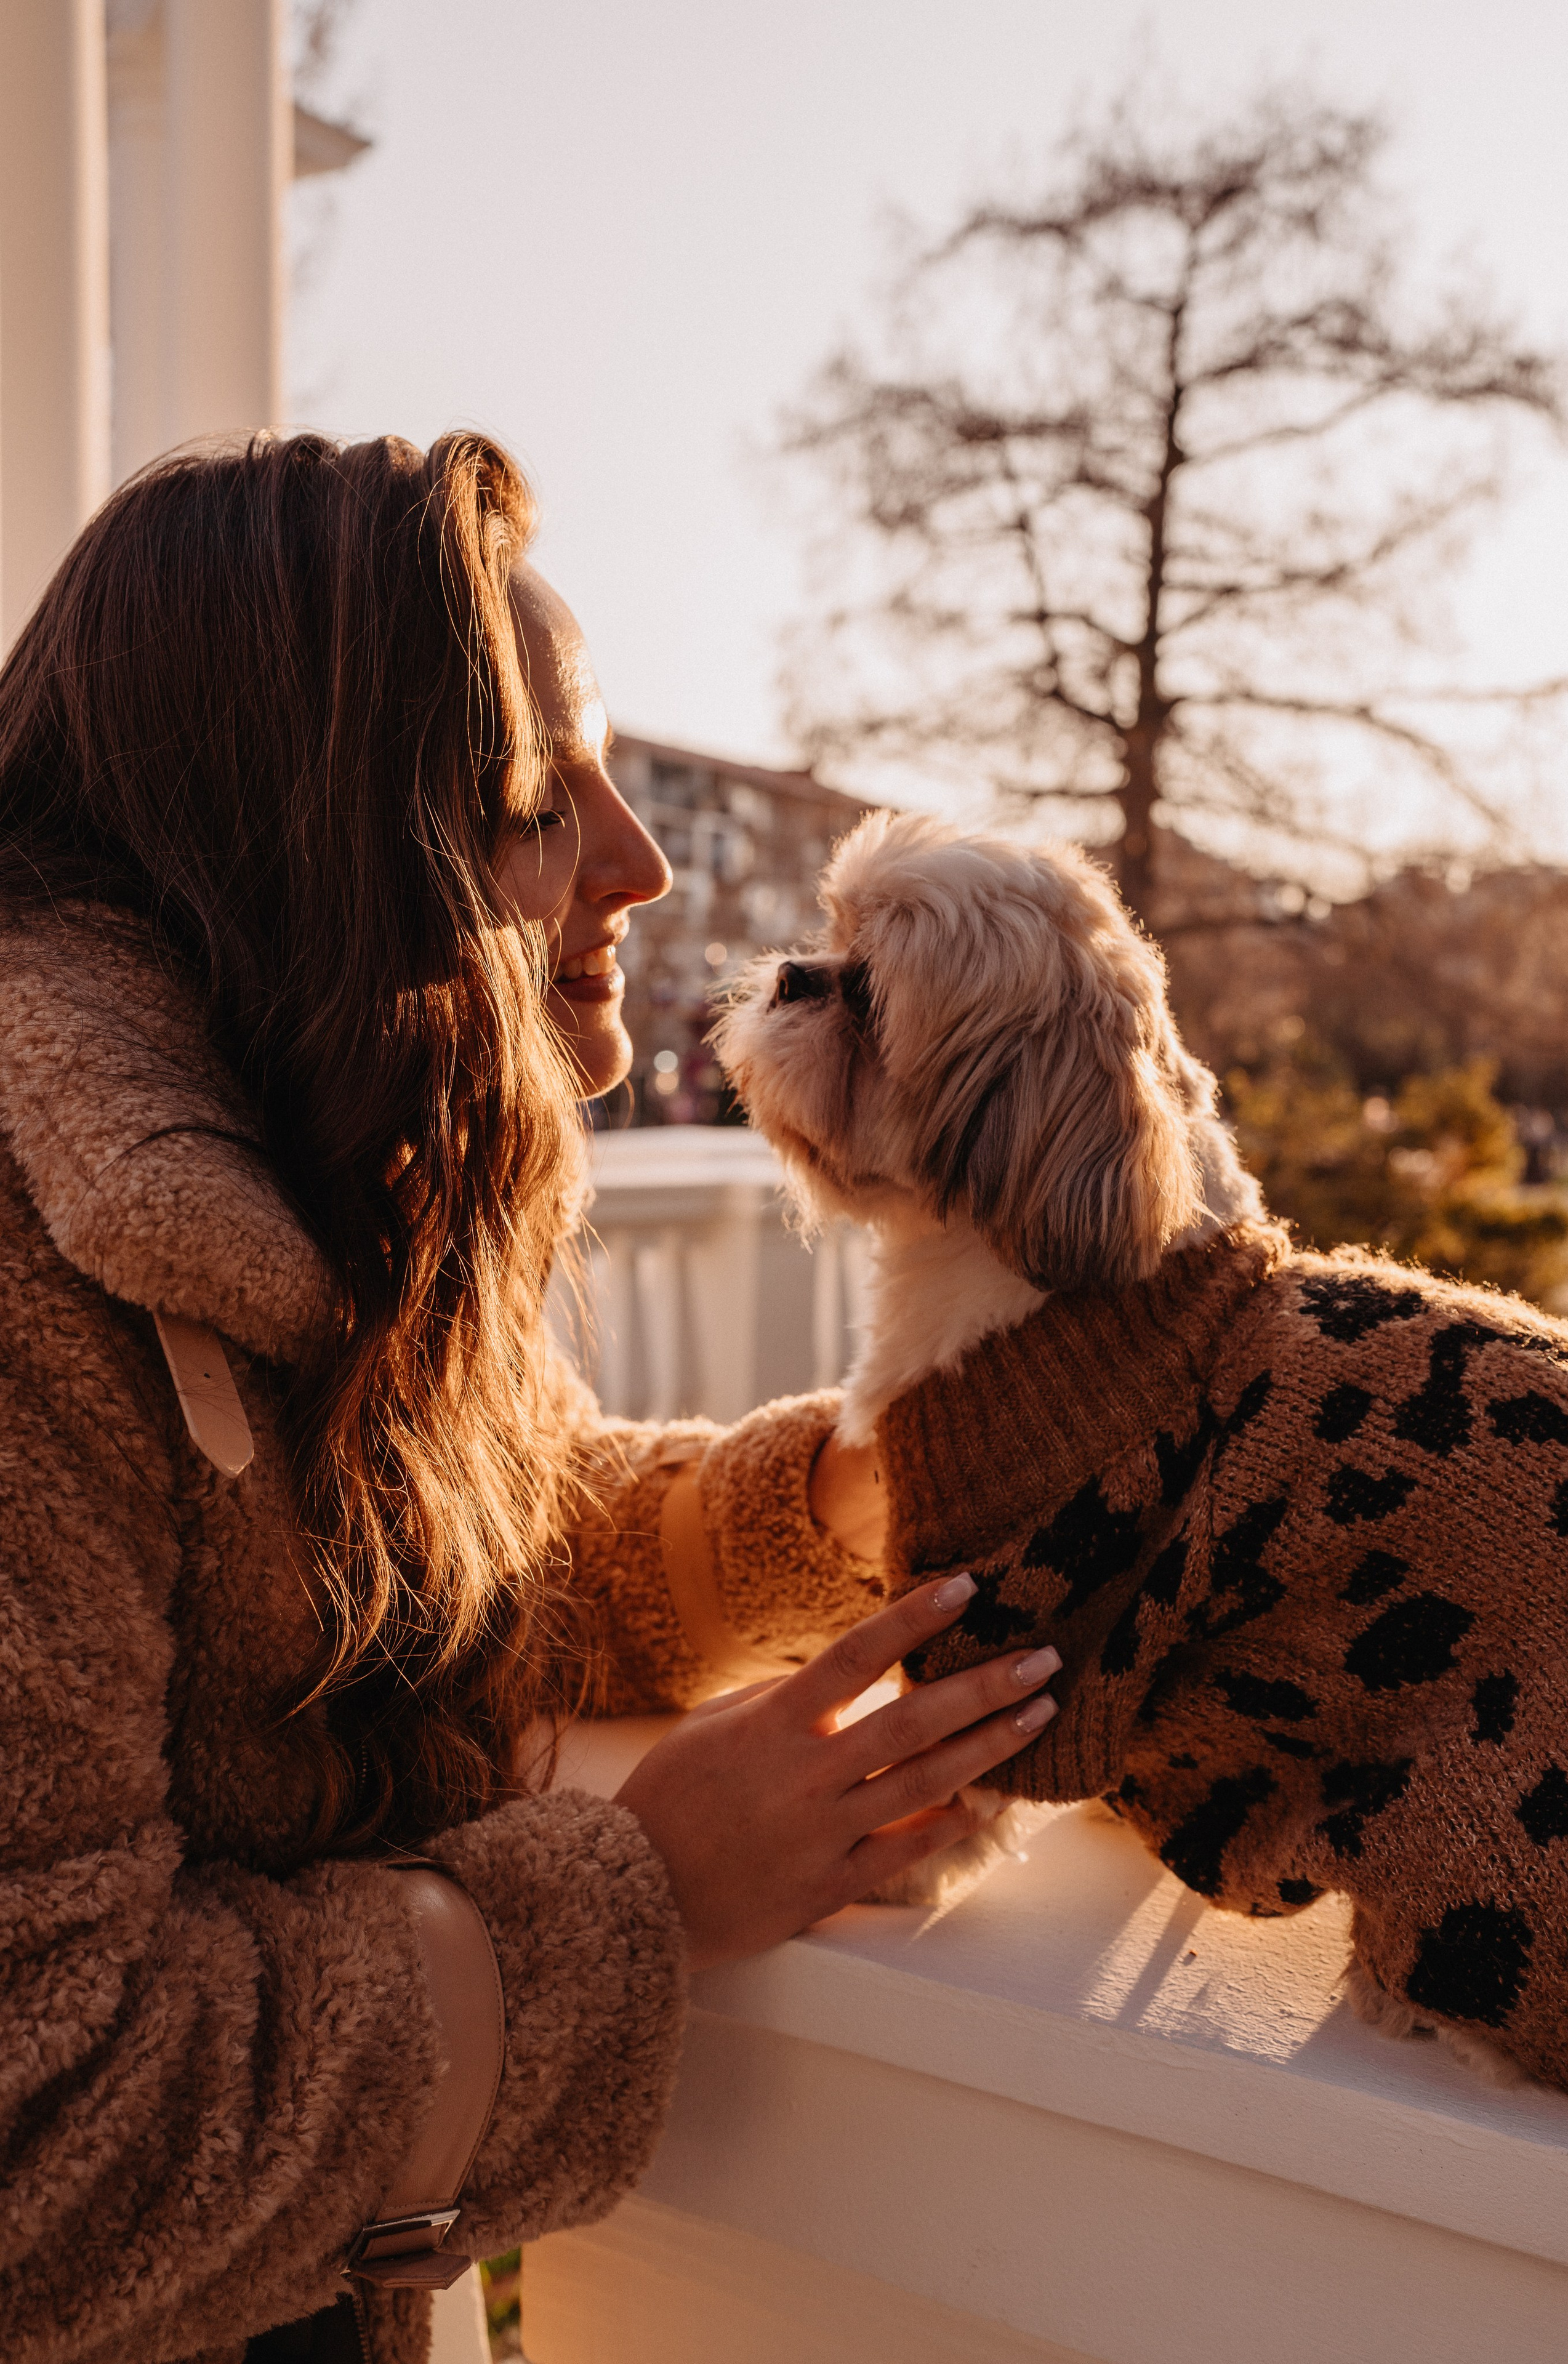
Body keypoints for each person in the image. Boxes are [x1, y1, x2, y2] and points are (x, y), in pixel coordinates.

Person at [0, 432, 1059, 2364]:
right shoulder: (31, 1273)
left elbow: (467, 1568)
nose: (638, 866)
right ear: (309, 836)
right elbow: (42, 2138)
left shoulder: (296, 1196)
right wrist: (638, 1896)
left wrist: (867, 1493)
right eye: (531, 795)